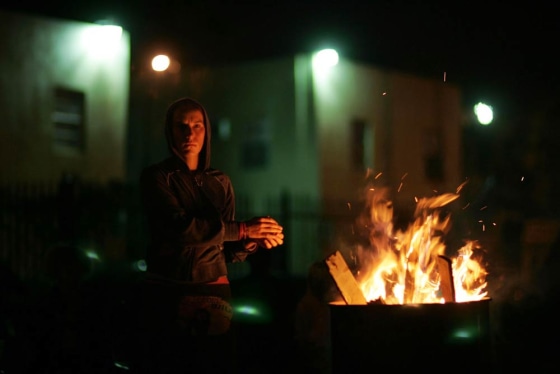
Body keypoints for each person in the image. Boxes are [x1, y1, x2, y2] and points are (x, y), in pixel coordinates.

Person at [135, 97, 284, 374]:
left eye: (197, 125)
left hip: (215, 291)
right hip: (169, 290)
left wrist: (251, 240)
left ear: (207, 131)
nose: (190, 133)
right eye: (181, 126)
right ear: (170, 132)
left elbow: (228, 251)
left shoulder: (220, 181)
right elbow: (181, 229)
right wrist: (242, 229)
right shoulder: (156, 177)